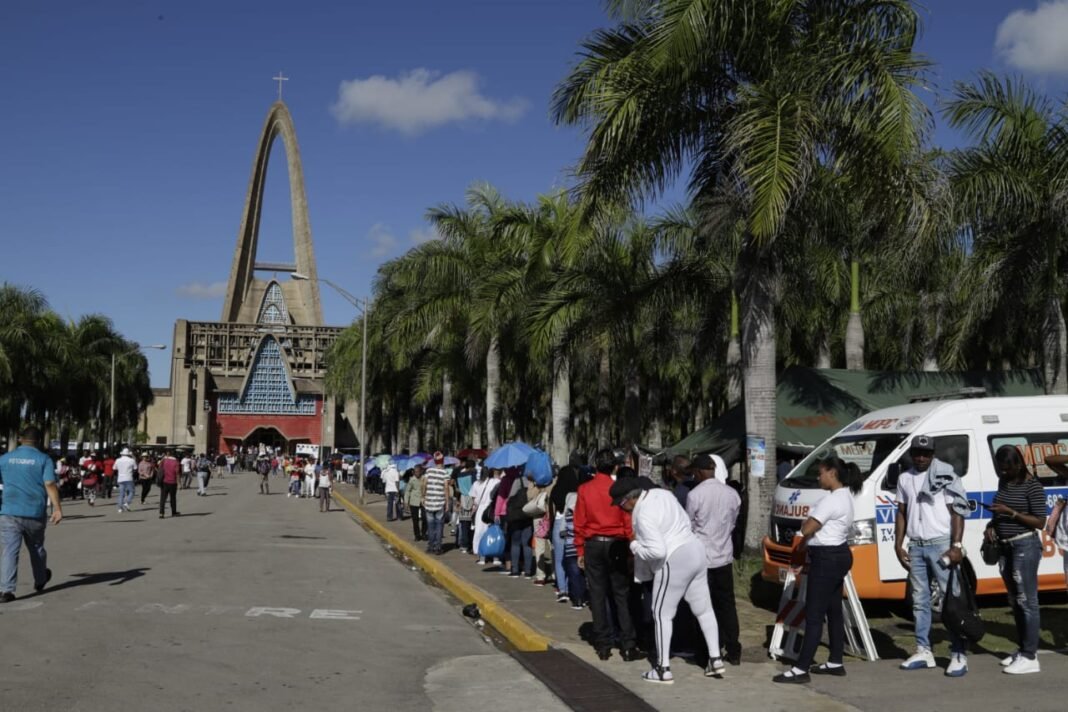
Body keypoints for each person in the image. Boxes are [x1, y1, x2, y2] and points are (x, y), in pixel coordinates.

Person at [611, 476, 723, 684]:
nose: (620, 508)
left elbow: (657, 550)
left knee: (661, 613)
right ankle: (715, 659)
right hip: (696, 550)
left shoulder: (642, 514)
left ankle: (663, 669)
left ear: (628, 500)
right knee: (704, 609)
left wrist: (635, 546)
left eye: (620, 504)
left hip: (674, 558)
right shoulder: (662, 494)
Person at [773, 456, 864, 683]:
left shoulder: (831, 500)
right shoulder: (845, 497)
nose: (818, 477)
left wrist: (804, 530)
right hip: (839, 554)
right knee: (833, 610)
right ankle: (835, 660)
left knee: (814, 615)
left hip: (826, 557)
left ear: (832, 473)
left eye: (821, 473)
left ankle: (801, 669)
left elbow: (809, 527)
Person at [894, 434, 970, 676]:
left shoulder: (943, 474)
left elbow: (957, 510)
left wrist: (956, 544)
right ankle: (923, 650)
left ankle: (958, 653)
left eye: (926, 453)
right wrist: (898, 544)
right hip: (916, 545)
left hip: (940, 543)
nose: (921, 457)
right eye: (917, 453)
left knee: (951, 600)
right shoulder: (905, 478)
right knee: (919, 600)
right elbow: (902, 512)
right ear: (911, 454)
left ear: (933, 454)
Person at [985, 445, 1047, 674]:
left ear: (1018, 465)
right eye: (1000, 469)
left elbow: (1040, 522)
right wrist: (992, 524)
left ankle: (1031, 656)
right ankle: (1022, 650)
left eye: (1007, 469)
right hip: (1005, 546)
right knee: (1014, 599)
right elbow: (999, 510)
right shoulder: (1005, 482)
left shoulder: (1033, 486)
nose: (1003, 473)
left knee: (1026, 600)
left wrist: (1011, 512)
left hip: (1025, 545)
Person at [575, 448, 641, 662]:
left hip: (594, 544)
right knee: (621, 594)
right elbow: (627, 522)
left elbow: (579, 522)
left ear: (595, 467)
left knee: (597, 594)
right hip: (617, 543)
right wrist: (631, 549)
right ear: (615, 467)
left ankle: (603, 644)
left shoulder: (585, 489)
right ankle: (628, 644)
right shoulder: (617, 489)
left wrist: (580, 549)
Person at [686, 453, 743, 666]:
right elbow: (733, 522)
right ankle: (734, 648)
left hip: (702, 559)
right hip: (724, 556)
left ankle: (706, 651)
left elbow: (689, 525)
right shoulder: (732, 494)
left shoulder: (695, 495)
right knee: (727, 605)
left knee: (702, 606)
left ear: (700, 472)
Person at [0, 426, 62, 601]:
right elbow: (49, 483)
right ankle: (40, 579)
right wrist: (57, 509)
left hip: (9, 512)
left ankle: (6, 591)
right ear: (39, 441)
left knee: (9, 551)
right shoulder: (44, 459)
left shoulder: (5, 459)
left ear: (20, 439)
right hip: (34, 512)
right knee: (36, 548)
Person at [550, 466, 580, 603]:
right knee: (571, 558)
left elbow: (552, 508)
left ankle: (562, 590)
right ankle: (571, 587)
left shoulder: (556, 490)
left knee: (559, 558)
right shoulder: (577, 490)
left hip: (558, 522)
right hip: (572, 524)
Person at [422, 454, 452, 555]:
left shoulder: (429, 471)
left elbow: (424, 484)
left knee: (430, 526)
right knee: (439, 526)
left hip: (429, 503)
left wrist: (423, 497)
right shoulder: (444, 473)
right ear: (443, 461)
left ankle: (431, 546)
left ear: (434, 461)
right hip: (440, 503)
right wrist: (447, 503)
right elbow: (446, 488)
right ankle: (438, 547)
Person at [471, 469, 500, 566]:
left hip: (480, 510)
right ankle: (495, 557)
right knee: (493, 532)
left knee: (480, 532)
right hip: (492, 510)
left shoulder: (476, 484)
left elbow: (474, 499)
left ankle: (482, 557)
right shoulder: (496, 482)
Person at [405, 467, 426, 542]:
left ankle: (423, 533)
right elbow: (407, 491)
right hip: (414, 501)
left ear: (421, 472)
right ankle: (417, 535)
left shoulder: (424, 478)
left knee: (425, 517)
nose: (416, 473)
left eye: (418, 472)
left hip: (423, 500)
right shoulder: (412, 480)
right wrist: (406, 502)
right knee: (415, 519)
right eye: (415, 472)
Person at [114, 447, 137, 513]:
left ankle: (120, 508)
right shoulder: (131, 460)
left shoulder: (118, 460)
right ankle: (127, 502)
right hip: (129, 478)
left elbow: (114, 468)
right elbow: (135, 468)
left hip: (120, 478)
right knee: (132, 492)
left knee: (121, 494)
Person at [158, 450, 180, 519]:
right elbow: (177, 473)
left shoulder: (164, 460)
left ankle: (161, 513)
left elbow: (159, 467)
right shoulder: (176, 462)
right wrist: (179, 483)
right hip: (173, 482)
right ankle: (173, 512)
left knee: (163, 498)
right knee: (173, 498)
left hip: (164, 482)